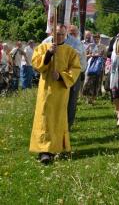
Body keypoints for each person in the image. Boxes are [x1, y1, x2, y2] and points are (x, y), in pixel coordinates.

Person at [29, 24, 81, 164]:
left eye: (62, 34)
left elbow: (76, 69)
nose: (59, 36)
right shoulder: (43, 47)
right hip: (45, 90)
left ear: (66, 35)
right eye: (57, 34)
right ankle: (44, 151)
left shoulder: (71, 51)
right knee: (44, 118)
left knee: (57, 119)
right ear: (52, 33)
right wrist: (49, 54)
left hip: (60, 92)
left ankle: (55, 148)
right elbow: (36, 64)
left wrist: (62, 76)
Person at [43, 24, 87, 130]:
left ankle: (66, 127)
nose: (72, 34)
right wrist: (49, 52)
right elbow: (40, 59)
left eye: (74, 32)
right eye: (58, 33)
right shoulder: (47, 42)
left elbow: (79, 61)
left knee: (70, 102)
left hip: (71, 76)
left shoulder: (76, 43)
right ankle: (50, 127)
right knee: (51, 102)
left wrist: (66, 75)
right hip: (51, 79)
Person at [82, 33, 106, 104]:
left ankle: (93, 99)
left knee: (97, 82)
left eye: (97, 38)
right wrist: (91, 55)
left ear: (99, 39)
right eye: (94, 38)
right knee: (87, 81)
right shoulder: (90, 46)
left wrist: (100, 56)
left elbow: (105, 57)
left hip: (99, 66)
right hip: (90, 65)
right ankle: (87, 98)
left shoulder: (103, 46)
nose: (96, 40)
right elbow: (85, 55)